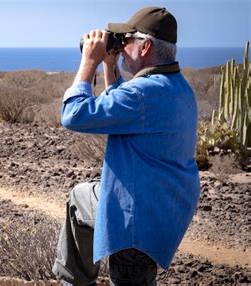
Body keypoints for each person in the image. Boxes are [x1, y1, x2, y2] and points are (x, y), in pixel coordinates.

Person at [52, 7, 200, 285]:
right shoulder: (175, 87)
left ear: (144, 46)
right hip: (163, 204)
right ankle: (74, 281)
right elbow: (121, 104)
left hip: (136, 217)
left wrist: (89, 62)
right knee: (80, 198)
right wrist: (109, 65)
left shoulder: (144, 93)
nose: (121, 46)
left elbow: (74, 115)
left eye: (126, 40)